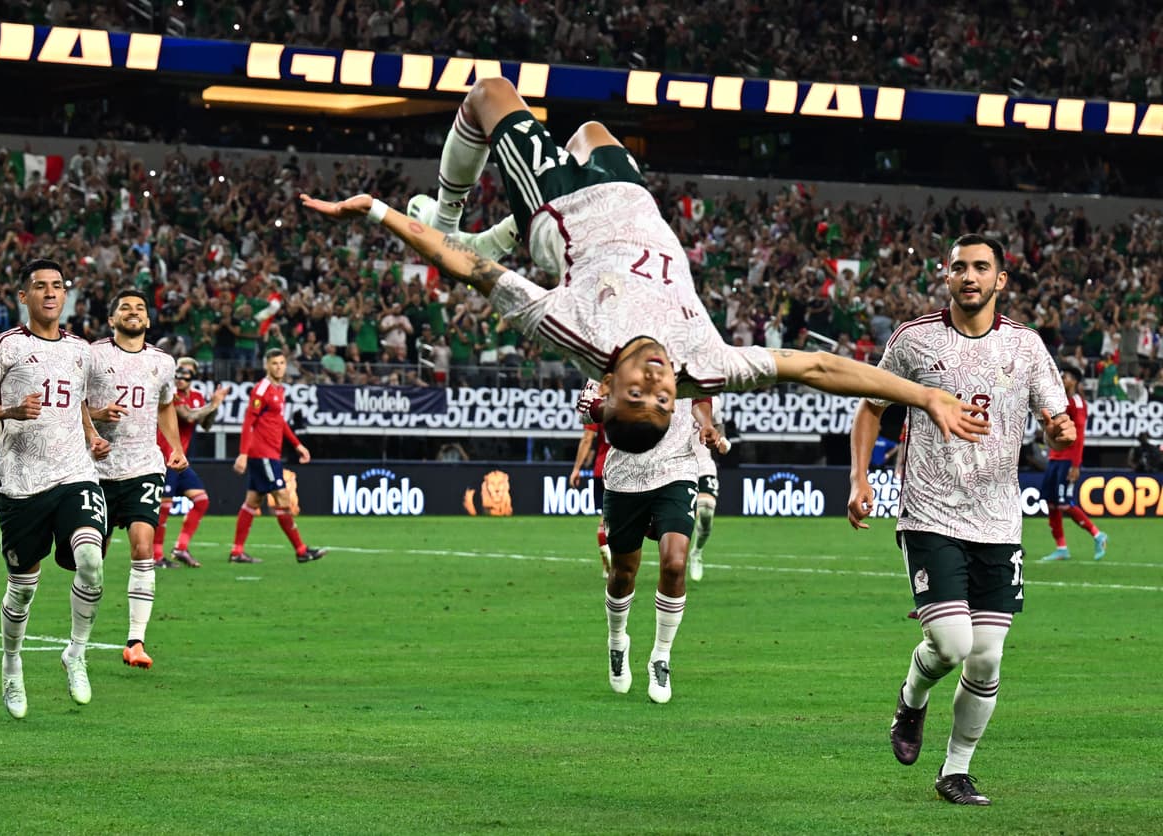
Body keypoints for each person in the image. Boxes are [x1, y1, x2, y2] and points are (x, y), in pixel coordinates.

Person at [301, 78, 989, 454]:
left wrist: (380, 213)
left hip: (559, 208)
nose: (658, 387)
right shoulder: (706, 366)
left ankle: (458, 217)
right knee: (591, 129)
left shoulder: (576, 331)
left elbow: (467, 275)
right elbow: (817, 369)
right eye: (663, 403)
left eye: (639, 395)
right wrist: (923, 396)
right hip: (630, 196)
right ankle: (496, 227)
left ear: (606, 389)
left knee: (489, 94)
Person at [847, 234, 1076, 806]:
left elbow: (1056, 419)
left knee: (987, 655)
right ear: (946, 276)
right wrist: (858, 479)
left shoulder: (1025, 346)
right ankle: (912, 697)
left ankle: (956, 770)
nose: (969, 276)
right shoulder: (914, 339)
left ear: (1001, 279)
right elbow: (870, 405)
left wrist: (1059, 431)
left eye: (980, 267)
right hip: (931, 512)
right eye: (959, 267)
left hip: (998, 520)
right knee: (951, 645)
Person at [0, 258, 115, 719]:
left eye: (57, 286)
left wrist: (92, 435)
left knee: (91, 560)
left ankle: (76, 653)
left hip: (75, 474)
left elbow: (79, 402)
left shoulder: (81, 350)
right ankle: (11, 665)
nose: (49, 292)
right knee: (23, 588)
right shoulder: (3, 346)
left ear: (66, 295)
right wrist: (8, 411)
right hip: (21, 482)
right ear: (23, 296)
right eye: (40, 286)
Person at [580, 386, 724, 704]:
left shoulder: (685, 358)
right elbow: (586, 408)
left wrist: (706, 424)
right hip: (624, 477)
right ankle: (617, 641)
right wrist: (630, 408)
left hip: (677, 471)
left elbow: (699, 397)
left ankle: (661, 656)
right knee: (623, 572)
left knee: (674, 564)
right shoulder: (611, 362)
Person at [87, 289, 188, 670]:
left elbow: (166, 405)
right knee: (91, 560)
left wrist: (175, 446)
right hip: (96, 469)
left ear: (147, 319)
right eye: (125, 308)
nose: (133, 312)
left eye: (140, 308)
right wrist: (97, 415)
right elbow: (73, 403)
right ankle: (79, 638)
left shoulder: (163, 362)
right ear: (111, 319)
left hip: (144, 466)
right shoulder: (93, 355)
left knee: (143, 548)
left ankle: (136, 641)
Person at [229, 348, 327, 564]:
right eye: (274, 363)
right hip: (262, 453)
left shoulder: (279, 389)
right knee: (282, 498)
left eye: (282, 363)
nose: (279, 367)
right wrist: (243, 454)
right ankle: (301, 550)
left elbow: (279, 421)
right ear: (267, 365)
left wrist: (297, 444)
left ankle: (237, 551)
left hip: (270, 452)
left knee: (253, 500)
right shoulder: (262, 389)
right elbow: (248, 422)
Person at [152, 356, 231, 569]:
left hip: (180, 461)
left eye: (186, 374)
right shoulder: (170, 394)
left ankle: (181, 548)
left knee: (201, 500)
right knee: (164, 508)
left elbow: (205, 424)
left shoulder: (196, 396)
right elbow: (187, 416)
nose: (180, 378)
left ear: (193, 376)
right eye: (178, 372)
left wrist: (215, 406)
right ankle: (156, 556)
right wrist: (212, 404)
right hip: (165, 458)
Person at [1039, 365, 1109, 562]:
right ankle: (1061, 548)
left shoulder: (1077, 403)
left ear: (1075, 381)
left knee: (1064, 504)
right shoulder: (1060, 401)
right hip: (1054, 458)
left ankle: (1098, 535)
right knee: (1051, 503)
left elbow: (1079, 435)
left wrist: (1076, 465)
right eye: (1062, 376)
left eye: (1067, 377)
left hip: (1068, 460)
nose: (1063, 379)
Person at [568, 386, 611, 579]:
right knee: (624, 521)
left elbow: (587, 438)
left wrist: (577, 468)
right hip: (625, 469)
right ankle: (615, 560)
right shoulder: (629, 402)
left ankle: (606, 560)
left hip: (602, 469)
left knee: (605, 519)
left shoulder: (597, 406)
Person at [687, 417, 731, 582]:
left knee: (706, 511)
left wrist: (723, 441)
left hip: (703, 464)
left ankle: (696, 552)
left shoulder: (714, 403)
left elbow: (718, 428)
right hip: (674, 466)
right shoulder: (669, 401)